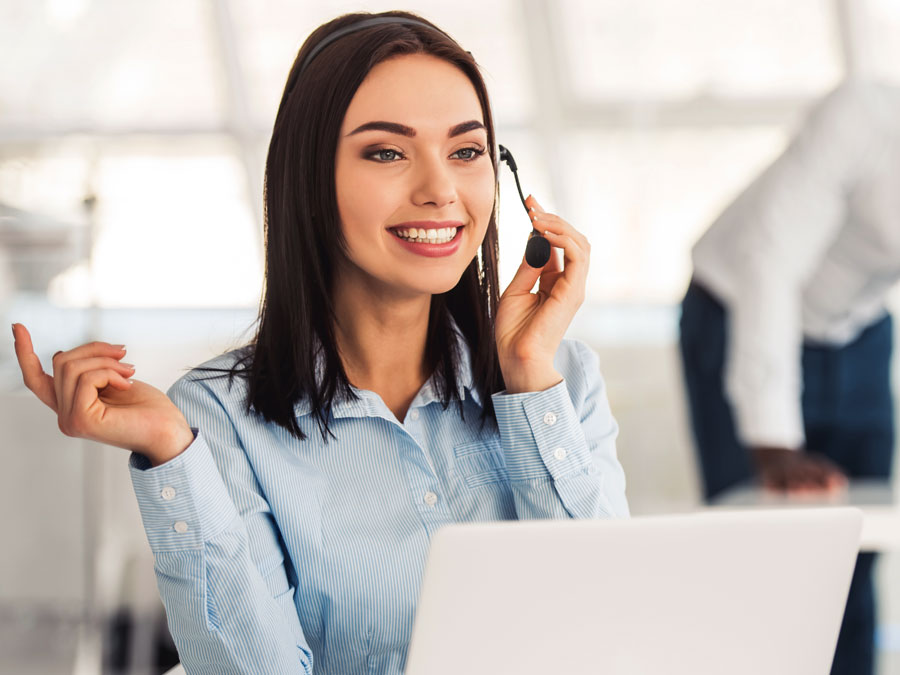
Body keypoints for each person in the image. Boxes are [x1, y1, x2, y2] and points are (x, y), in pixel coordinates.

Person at [12, 11, 628, 674]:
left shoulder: (559, 375)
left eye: (466, 150)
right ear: (310, 180)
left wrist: (531, 380)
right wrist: (171, 453)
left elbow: (613, 630)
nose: (440, 190)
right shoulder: (218, 420)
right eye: (387, 152)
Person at [680, 78, 900, 675]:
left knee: (856, 550)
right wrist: (772, 439)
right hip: (736, 309)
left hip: (858, 333)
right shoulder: (865, 115)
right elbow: (770, 264)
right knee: (762, 554)